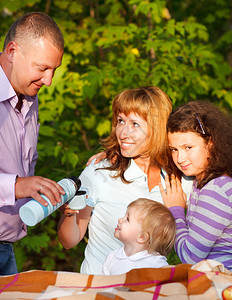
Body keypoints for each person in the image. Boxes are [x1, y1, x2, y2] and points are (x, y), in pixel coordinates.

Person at [58, 86, 193, 275]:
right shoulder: (100, 170)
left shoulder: (180, 178)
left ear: (157, 128)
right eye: (120, 121)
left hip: (148, 290)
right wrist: (69, 214)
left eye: (135, 124)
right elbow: (68, 241)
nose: (123, 133)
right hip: (99, 288)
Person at [0, 12, 65, 275]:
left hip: (6, 248)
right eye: (42, 68)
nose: (48, 81)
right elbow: (17, 183)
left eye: (54, 70)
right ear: (13, 51)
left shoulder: (28, 94)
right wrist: (17, 185)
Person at [159, 101, 232, 271]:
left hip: (222, 284)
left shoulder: (216, 190)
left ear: (211, 143)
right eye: (174, 149)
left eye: (188, 147)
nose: (180, 158)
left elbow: (189, 257)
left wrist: (175, 210)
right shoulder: (202, 182)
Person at [102, 198, 176, 275]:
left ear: (142, 237)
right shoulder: (113, 257)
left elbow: (167, 286)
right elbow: (104, 284)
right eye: (124, 216)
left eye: (127, 219)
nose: (120, 220)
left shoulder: (156, 264)